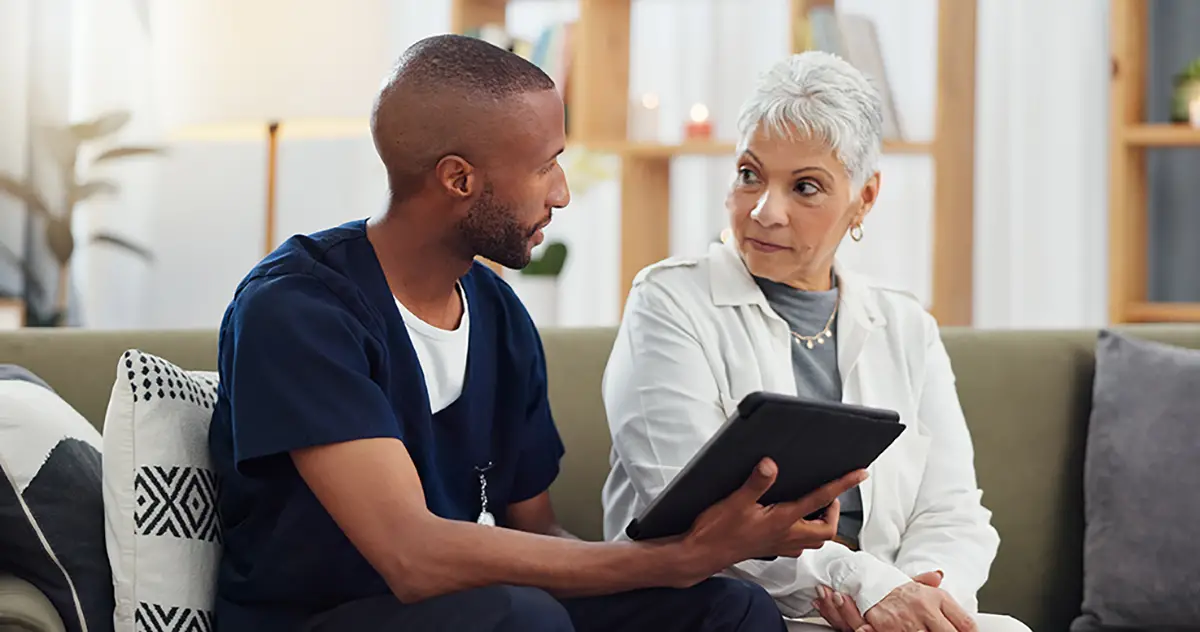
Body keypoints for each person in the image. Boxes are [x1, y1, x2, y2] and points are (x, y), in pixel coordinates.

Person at [206, 35, 867, 632]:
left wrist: (700, 561)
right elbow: (412, 556)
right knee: (520, 617)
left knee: (727, 607)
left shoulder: (496, 313)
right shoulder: (297, 311)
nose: (561, 193)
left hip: (478, 612)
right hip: (321, 620)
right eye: (546, 165)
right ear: (459, 178)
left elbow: (538, 528)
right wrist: (673, 559)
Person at [600, 51, 1033, 632]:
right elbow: (697, 516)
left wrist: (921, 606)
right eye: (750, 174)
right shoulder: (669, 301)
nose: (763, 211)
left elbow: (951, 509)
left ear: (865, 198)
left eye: (805, 187)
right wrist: (871, 589)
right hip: (722, 608)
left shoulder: (906, 325)